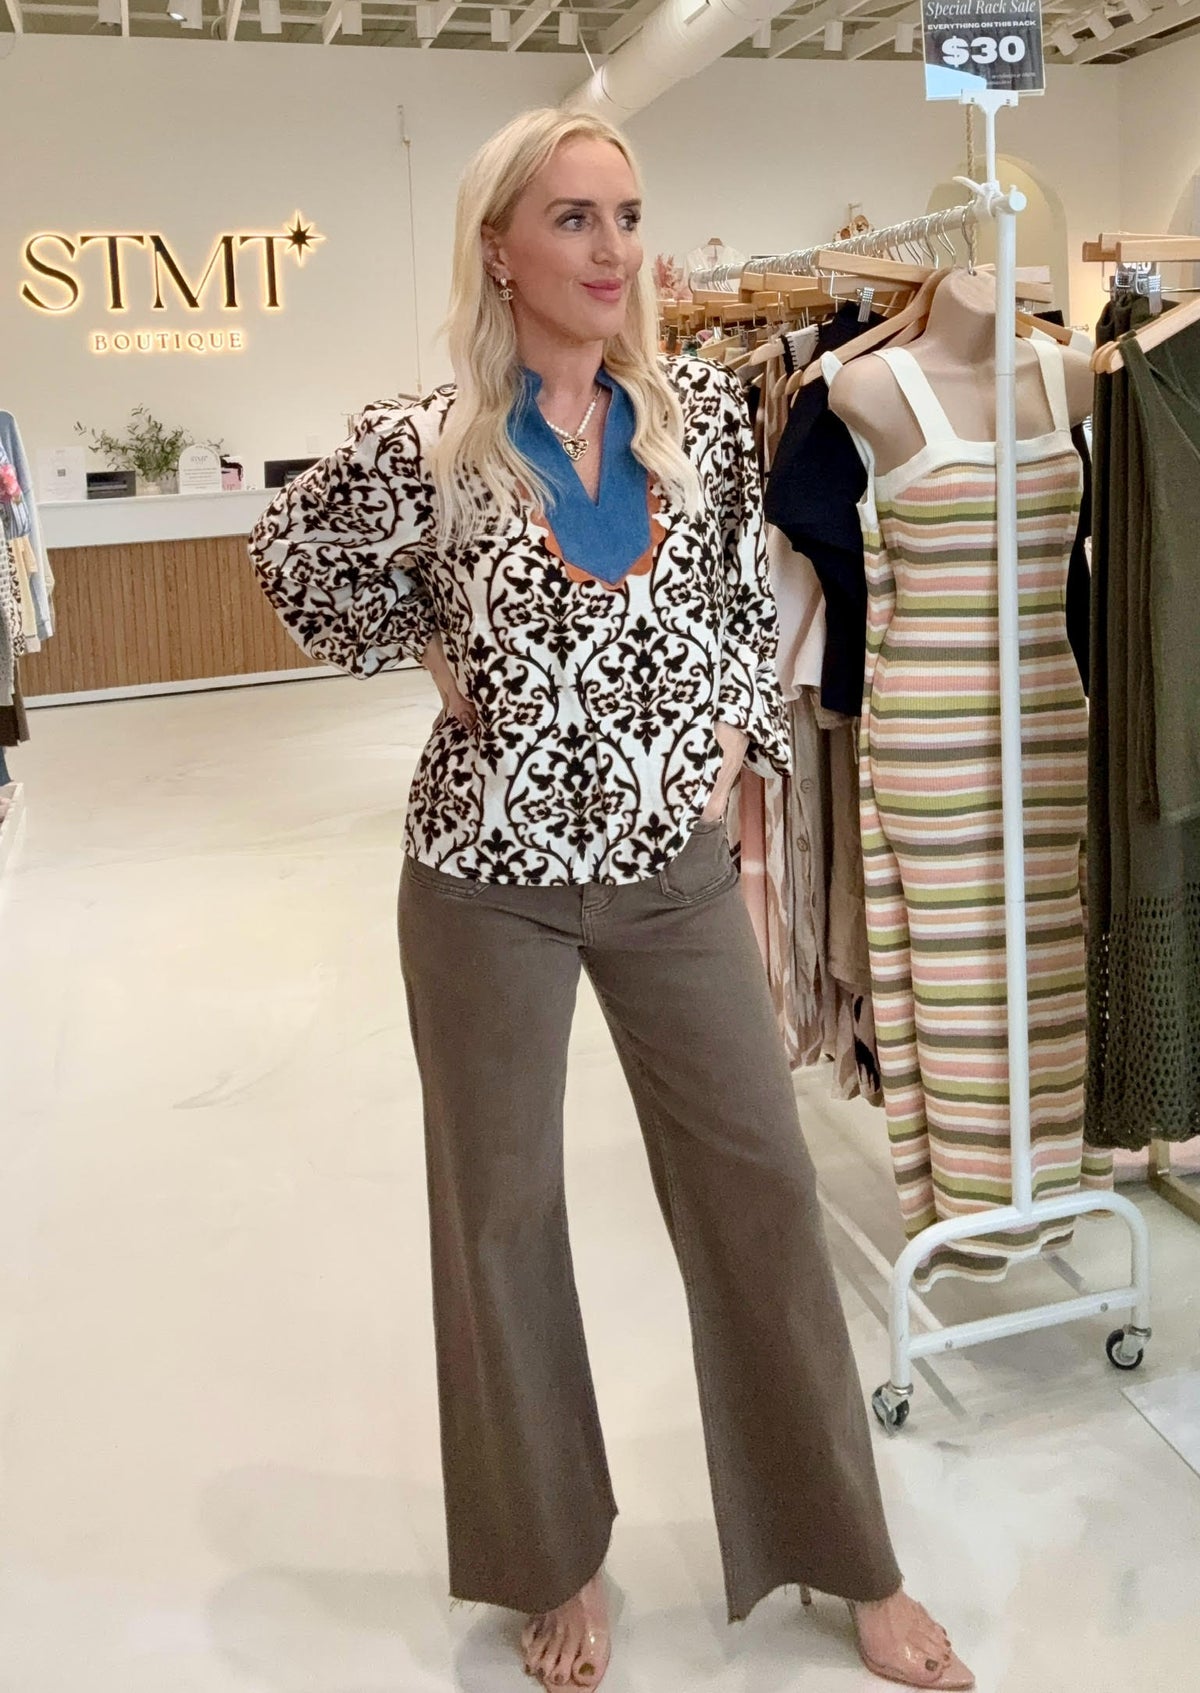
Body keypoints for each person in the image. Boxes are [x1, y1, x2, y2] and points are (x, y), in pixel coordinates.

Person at [249, 106, 974, 1693]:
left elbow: (738, 597)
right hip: (482, 885)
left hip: (670, 876)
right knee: (501, 1218)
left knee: (764, 1191)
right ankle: (550, 1556)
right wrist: (420, 651)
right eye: (575, 219)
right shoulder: (419, 438)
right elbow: (291, 561)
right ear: (499, 245)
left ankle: (844, 1553)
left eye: (628, 216)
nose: (613, 251)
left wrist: (726, 732)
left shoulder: (699, 415)